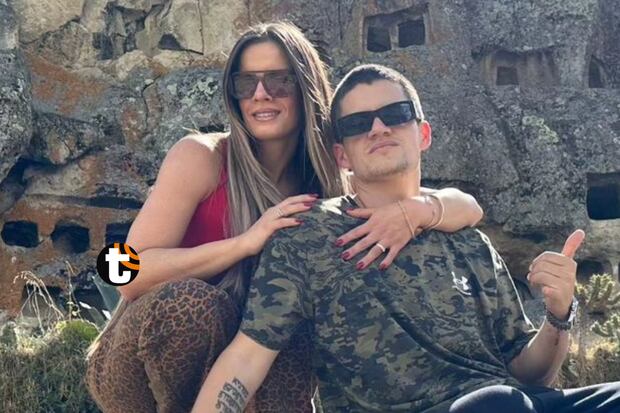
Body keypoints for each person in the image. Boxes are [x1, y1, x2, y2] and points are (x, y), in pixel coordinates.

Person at [85, 24, 483, 413]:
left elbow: (468, 208)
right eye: (246, 83)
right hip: (137, 366)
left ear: (306, 86)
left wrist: (415, 211)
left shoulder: (329, 183)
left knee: (294, 326)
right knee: (196, 306)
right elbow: (119, 271)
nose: (261, 94)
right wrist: (244, 243)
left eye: (278, 80)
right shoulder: (201, 157)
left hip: (243, 362)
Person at [191, 64, 620, 413]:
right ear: (341, 155)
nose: (378, 128)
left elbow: (531, 373)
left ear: (423, 134)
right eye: (358, 124)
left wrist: (559, 314)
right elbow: (247, 357)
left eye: (395, 114)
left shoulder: (469, 241)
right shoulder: (308, 234)